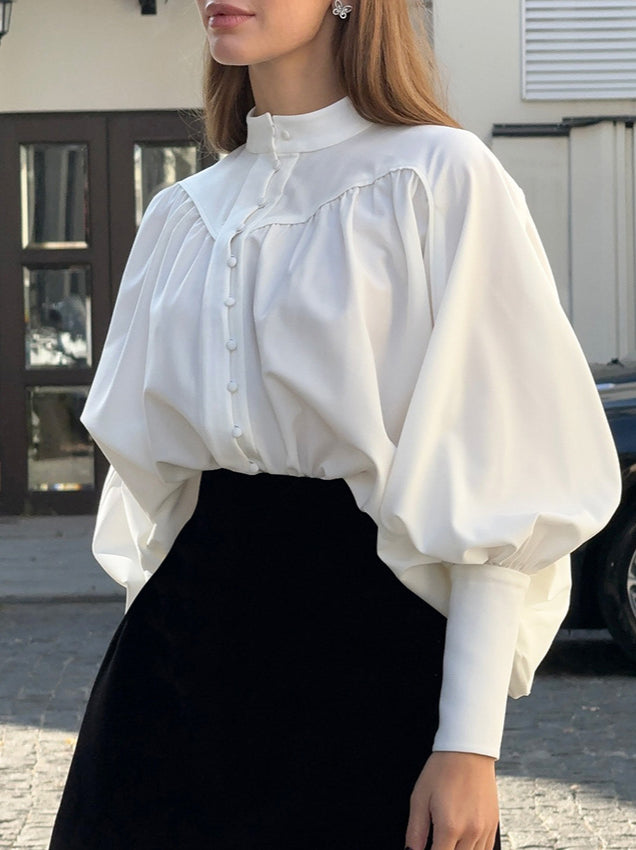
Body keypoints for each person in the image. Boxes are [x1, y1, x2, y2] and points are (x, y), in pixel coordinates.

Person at [48, 1, 622, 848]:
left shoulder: (438, 178)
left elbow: (501, 471)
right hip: (172, 668)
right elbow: (156, 500)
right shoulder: (181, 216)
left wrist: (469, 742)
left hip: (371, 663)